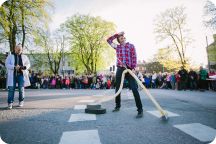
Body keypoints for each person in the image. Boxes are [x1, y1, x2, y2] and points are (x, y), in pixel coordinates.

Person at [107, 31, 143, 118]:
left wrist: (134, 67)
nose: (122, 39)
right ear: (119, 40)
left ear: (125, 39)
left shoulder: (131, 46)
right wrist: (117, 34)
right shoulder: (117, 47)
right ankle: (117, 106)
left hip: (129, 69)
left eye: (123, 38)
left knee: (134, 88)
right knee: (118, 88)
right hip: (120, 68)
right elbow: (108, 40)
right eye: (120, 38)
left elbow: (134, 56)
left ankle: (140, 109)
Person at [5, 44, 31, 109]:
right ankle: (10, 103)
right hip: (12, 75)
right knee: (11, 89)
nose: (19, 50)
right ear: (15, 49)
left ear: (22, 50)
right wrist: (14, 67)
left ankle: (21, 101)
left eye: (20, 49)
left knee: (21, 89)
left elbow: (28, 64)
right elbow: (7, 64)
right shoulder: (10, 56)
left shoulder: (25, 56)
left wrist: (24, 67)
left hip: (21, 75)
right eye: (18, 49)